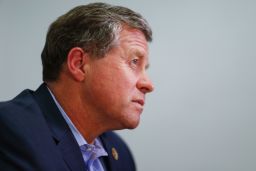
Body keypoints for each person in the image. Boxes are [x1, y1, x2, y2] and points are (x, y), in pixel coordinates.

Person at [0, 2, 154, 171]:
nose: (148, 84)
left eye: (144, 69)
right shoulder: (9, 130)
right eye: (134, 62)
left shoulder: (120, 153)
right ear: (79, 64)